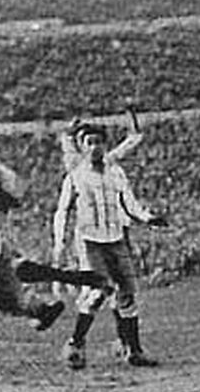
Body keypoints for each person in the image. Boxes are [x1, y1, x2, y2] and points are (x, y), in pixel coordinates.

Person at [0, 54, 111, 331]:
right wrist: (81, 279)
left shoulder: (2, 288)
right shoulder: (8, 276)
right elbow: (30, 270)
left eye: (40, 303)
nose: (39, 297)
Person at [52, 122, 170, 369]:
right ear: (82, 147)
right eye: (89, 142)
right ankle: (75, 344)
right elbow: (62, 211)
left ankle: (133, 351)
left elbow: (129, 203)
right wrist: (60, 243)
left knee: (127, 293)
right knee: (98, 291)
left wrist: (148, 218)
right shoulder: (75, 176)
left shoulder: (115, 173)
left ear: (105, 145)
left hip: (115, 240)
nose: (95, 147)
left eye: (99, 142)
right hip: (89, 242)